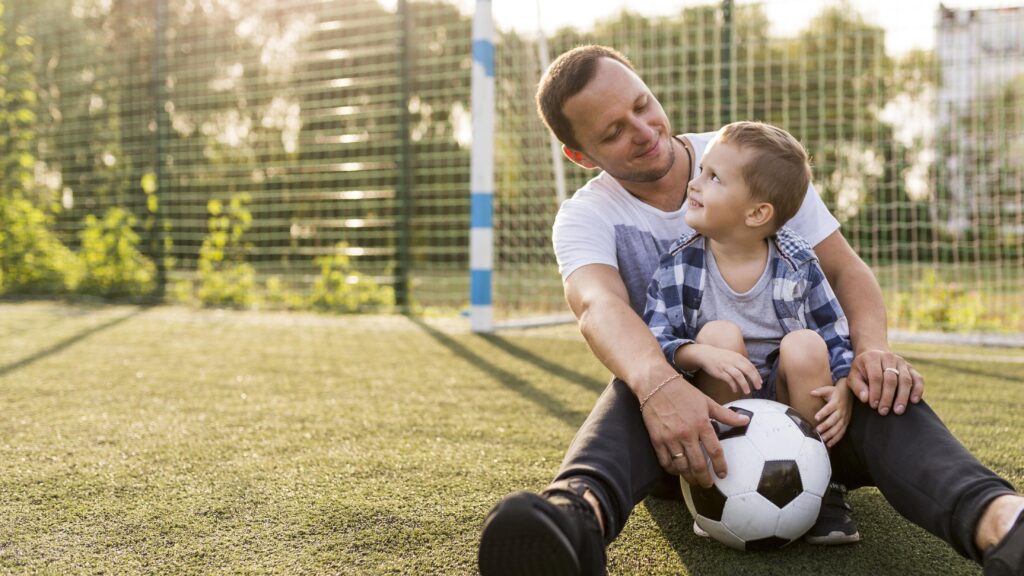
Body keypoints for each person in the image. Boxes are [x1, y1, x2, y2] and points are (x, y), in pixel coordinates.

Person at [477, 45, 1024, 576]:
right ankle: (575, 520)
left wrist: (872, 352)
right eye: (613, 132)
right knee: (641, 379)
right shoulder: (585, 217)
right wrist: (660, 385)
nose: (643, 131)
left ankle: (1003, 525)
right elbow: (598, 306)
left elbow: (844, 271)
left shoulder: (748, 157)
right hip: (691, 436)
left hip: (816, 417)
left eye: (642, 105)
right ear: (581, 155)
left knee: (879, 386)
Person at [642, 120, 859, 544]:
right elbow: (654, 337)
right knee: (719, 335)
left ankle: (824, 491)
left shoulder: (798, 262)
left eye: (714, 177)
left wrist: (845, 384)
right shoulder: (679, 264)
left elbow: (834, 331)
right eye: (701, 170)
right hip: (720, 406)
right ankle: (716, 485)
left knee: (806, 344)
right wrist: (697, 354)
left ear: (757, 213)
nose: (694, 184)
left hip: (787, 409)